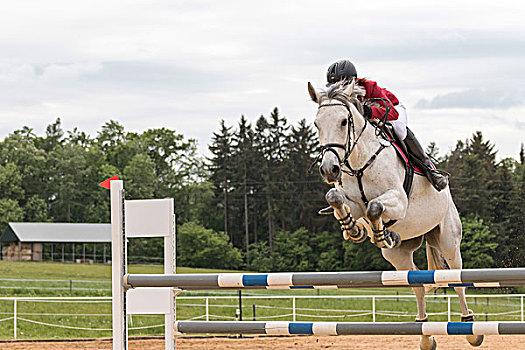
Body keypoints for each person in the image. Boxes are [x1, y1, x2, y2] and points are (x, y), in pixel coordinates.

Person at [325, 59, 448, 191]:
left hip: (392, 108)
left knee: (400, 130)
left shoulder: (369, 87)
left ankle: (429, 170)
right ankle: (342, 190)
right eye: (335, 85)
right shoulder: (337, 100)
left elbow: (393, 114)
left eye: (342, 84)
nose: (339, 89)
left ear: (353, 80)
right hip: (370, 120)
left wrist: (369, 111)